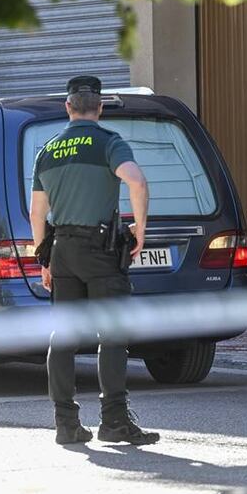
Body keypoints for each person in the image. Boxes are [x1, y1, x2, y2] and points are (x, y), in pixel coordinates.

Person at [30, 76, 160, 446]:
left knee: (64, 337)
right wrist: (141, 228)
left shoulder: (48, 150)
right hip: (101, 250)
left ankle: (65, 423)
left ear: (68, 107)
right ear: (99, 108)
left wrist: (45, 259)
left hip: (63, 251)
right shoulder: (109, 143)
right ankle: (114, 420)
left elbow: (36, 213)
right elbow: (136, 182)